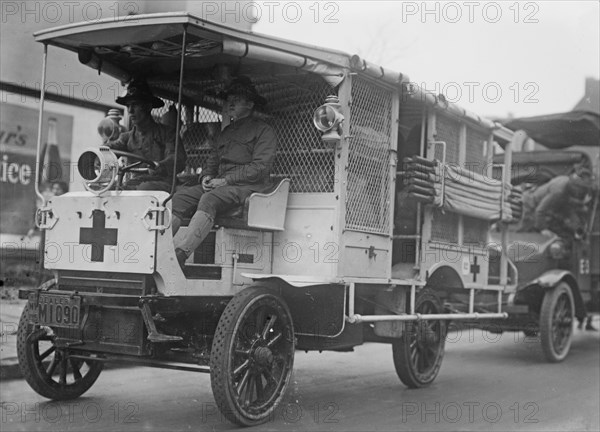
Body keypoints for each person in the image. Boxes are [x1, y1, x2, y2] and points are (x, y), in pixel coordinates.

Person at [171, 77, 277, 267]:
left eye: (238, 98)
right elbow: (212, 162)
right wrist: (206, 177)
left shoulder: (263, 131)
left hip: (249, 188)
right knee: (179, 198)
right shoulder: (225, 132)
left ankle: (179, 255)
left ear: (250, 104)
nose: (231, 102)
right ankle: (158, 251)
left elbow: (260, 168)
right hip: (221, 186)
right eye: (230, 98)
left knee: (208, 199)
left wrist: (225, 181)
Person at [108, 80, 186, 191]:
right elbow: (111, 149)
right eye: (128, 106)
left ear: (148, 107)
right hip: (134, 184)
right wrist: (98, 154)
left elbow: (177, 159)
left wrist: (160, 166)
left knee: (144, 188)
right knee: (107, 190)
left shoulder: (168, 133)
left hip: (163, 186)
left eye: (135, 105)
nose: (130, 110)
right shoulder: (126, 138)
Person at [519, 167, 594, 238]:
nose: (582, 192)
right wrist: (543, 229)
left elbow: (567, 209)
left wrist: (577, 227)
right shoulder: (558, 192)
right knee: (526, 236)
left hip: (537, 207)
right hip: (528, 207)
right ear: (576, 186)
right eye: (582, 189)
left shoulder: (567, 182)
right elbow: (540, 211)